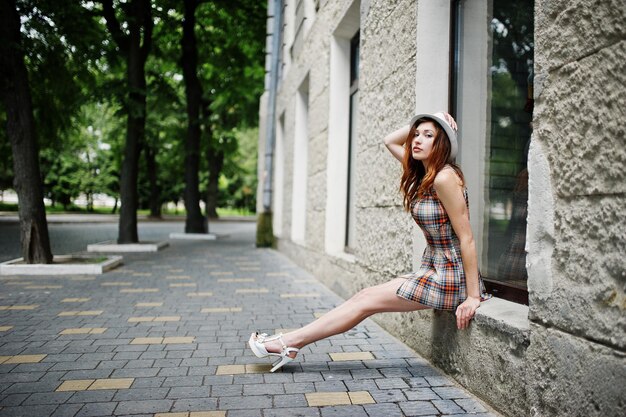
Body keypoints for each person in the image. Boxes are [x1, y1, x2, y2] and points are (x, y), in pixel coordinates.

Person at [249, 112, 489, 372]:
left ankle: (289, 343)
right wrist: (432, 115)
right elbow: (390, 141)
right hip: (435, 268)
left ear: (442, 144)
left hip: (451, 278)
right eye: (416, 134)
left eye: (428, 135)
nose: (417, 140)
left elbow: (467, 238)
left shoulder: (444, 177)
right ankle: (290, 343)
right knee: (364, 297)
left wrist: (473, 296)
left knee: (366, 301)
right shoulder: (425, 174)